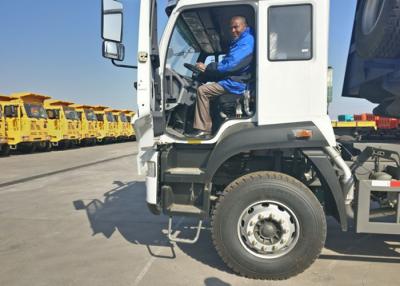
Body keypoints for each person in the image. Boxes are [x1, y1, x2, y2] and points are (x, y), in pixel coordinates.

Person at [191, 15, 255, 138]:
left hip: (237, 83)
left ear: (245, 25)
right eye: (231, 28)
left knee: (202, 91)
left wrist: (208, 68)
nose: (233, 30)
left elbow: (231, 64)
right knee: (208, 90)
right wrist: (208, 75)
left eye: (236, 27)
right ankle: (213, 125)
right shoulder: (242, 40)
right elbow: (229, 65)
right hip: (235, 80)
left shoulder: (246, 41)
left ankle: (203, 129)